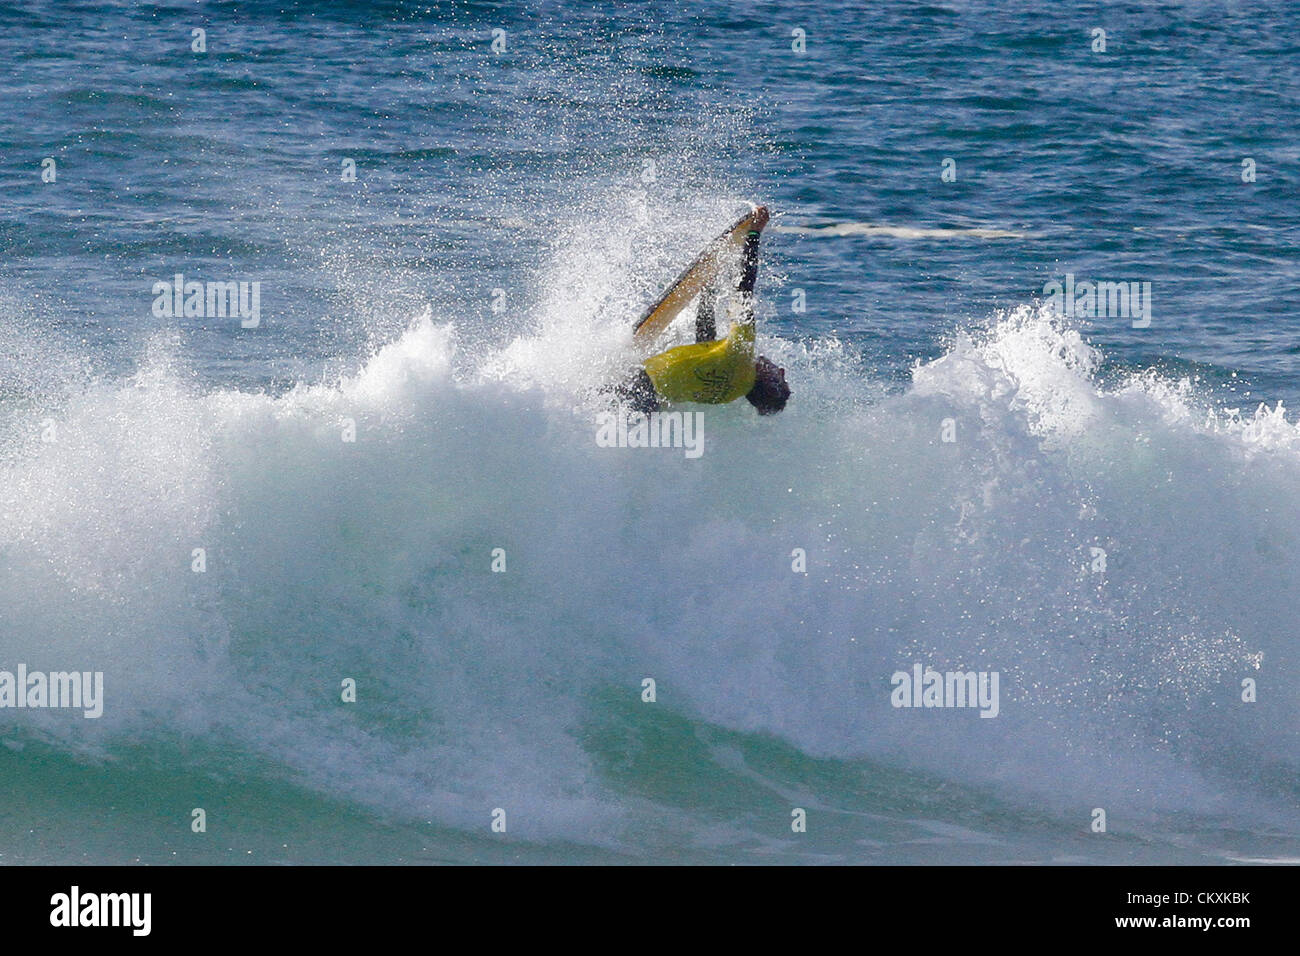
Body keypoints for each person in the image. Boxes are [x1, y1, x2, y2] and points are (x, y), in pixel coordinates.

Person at [614, 206, 790, 416]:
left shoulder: (742, 353)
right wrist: (707, 291)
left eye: (781, 379)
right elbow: (704, 341)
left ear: (770, 381)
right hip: (650, 407)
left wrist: (754, 233)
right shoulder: (727, 395)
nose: (781, 371)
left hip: (638, 385)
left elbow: (745, 289)